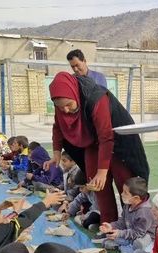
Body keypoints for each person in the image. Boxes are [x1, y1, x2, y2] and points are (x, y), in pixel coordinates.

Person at [47, 71, 149, 223]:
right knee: (98, 187)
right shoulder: (61, 102)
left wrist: (102, 172)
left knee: (125, 185)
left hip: (117, 143)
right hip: (92, 143)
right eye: (61, 107)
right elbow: (58, 127)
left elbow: (106, 137)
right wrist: (56, 152)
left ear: (74, 94)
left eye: (69, 105)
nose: (66, 110)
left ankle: (133, 225)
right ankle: (108, 225)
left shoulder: (96, 98)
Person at [99, 177, 156, 253]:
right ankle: (125, 244)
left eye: (125, 192)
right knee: (107, 242)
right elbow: (122, 222)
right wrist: (111, 226)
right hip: (131, 233)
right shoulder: (128, 204)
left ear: (136, 198)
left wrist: (120, 233)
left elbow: (138, 233)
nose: (122, 194)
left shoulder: (144, 212)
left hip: (144, 237)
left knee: (137, 244)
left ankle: (125, 246)